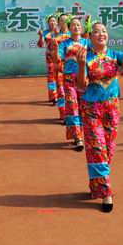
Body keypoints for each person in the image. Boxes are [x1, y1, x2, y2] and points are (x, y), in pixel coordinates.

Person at [75, 22, 123, 212]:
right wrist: (82, 65)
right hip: (92, 109)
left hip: (112, 108)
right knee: (98, 147)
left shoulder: (115, 55)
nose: (101, 34)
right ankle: (106, 192)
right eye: (96, 31)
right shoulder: (85, 56)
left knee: (108, 148)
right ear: (89, 37)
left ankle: (97, 184)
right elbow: (81, 85)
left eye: (104, 31)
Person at [54, 15, 91, 150]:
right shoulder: (64, 44)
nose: (76, 27)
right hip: (69, 79)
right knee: (72, 105)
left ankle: (86, 133)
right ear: (69, 28)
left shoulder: (87, 43)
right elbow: (57, 58)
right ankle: (78, 137)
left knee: (84, 106)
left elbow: (97, 55)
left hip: (84, 79)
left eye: (78, 25)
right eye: (74, 25)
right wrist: (54, 49)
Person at [37, 15, 59, 104]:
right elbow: (40, 45)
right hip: (50, 57)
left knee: (60, 76)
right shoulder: (45, 33)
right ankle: (53, 96)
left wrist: (57, 34)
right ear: (48, 23)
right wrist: (41, 36)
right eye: (51, 21)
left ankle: (62, 95)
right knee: (51, 76)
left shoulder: (61, 32)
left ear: (57, 23)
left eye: (54, 21)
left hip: (60, 57)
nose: (52, 22)